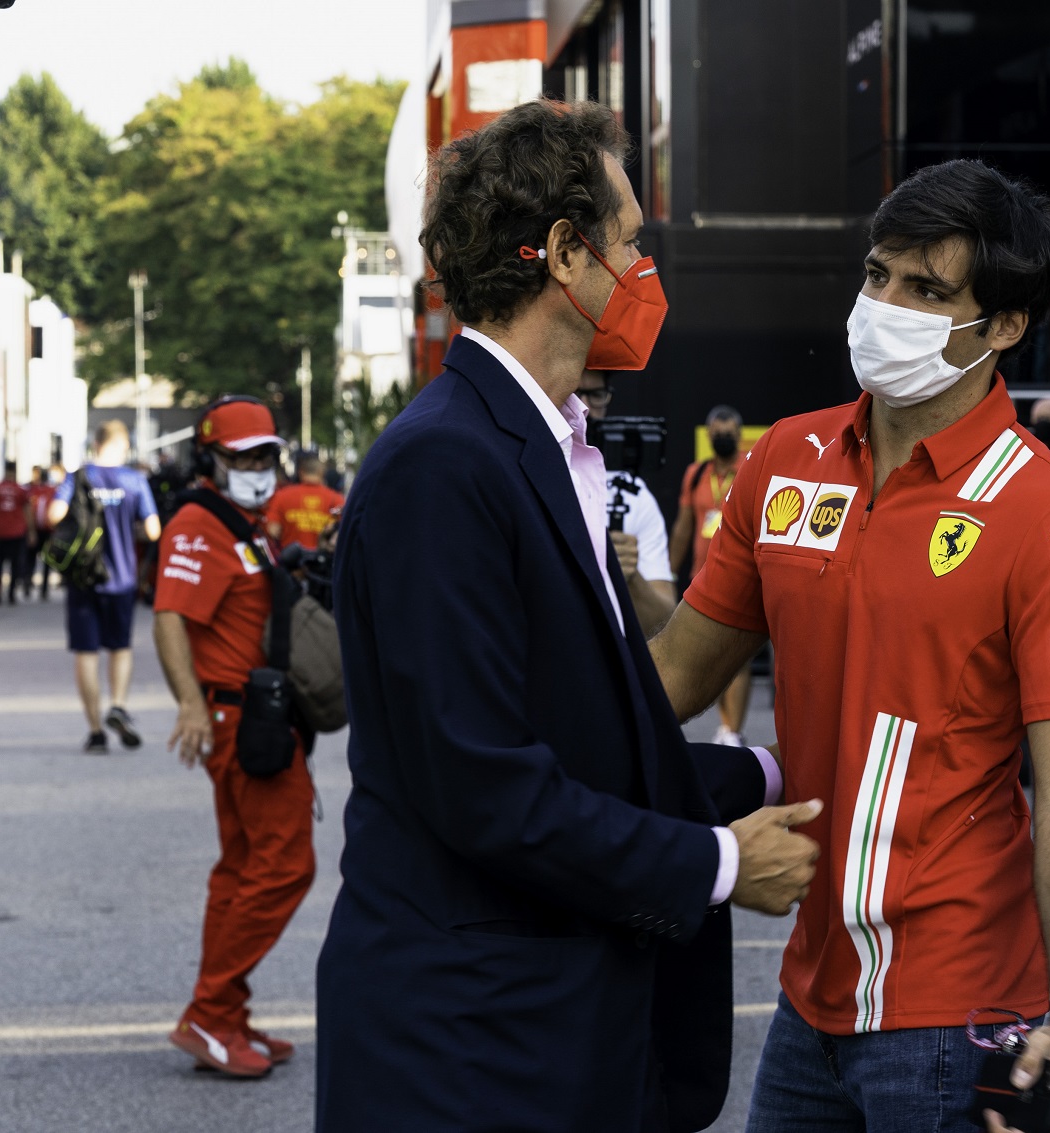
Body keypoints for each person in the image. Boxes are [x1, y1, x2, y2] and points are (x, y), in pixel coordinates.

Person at [316, 99, 820, 1133]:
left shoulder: (538, 449)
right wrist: (720, 862)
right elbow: (483, 783)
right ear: (562, 253)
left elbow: (587, 736)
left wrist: (787, 768)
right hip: (469, 1054)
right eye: (631, 238)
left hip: (548, 1039)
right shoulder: (442, 464)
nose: (643, 266)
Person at [651, 159, 1050, 1133]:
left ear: (1002, 326)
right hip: (806, 997)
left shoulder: (1049, 512)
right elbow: (674, 672)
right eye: (877, 275)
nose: (885, 306)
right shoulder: (785, 458)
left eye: (926, 290)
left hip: (958, 1011)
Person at [153, 395, 313, 1079]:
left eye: (264, 455)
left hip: (254, 714)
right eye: (241, 456)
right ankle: (210, 1014)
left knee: (242, 869)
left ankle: (226, 1011)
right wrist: (189, 703)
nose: (256, 466)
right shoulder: (199, 521)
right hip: (239, 720)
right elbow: (169, 616)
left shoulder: (246, 523)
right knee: (284, 866)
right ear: (210, 461)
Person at [49, 421, 160, 754]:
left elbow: (53, 514)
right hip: (122, 578)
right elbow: (154, 530)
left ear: (95, 444)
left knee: (86, 652)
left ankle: (95, 731)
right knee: (120, 648)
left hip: (84, 577)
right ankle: (119, 705)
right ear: (123, 445)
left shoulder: (78, 476)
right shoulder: (135, 480)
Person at [669, 405, 752, 744]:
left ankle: (733, 731)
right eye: (718, 432)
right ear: (707, 435)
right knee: (713, 652)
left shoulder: (749, 466)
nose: (723, 437)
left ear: (739, 435)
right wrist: (668, 573)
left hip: (742, 575)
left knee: (738, 654)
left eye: (730, 432)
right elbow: (683, 527)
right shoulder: (696, 473)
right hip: (702, 577)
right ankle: (724, 724)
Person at [578, 367, 677, 634]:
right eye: (575, 394)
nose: (584, 407)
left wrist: (630, 578)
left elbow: (664, 619)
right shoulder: (523, 474)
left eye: (596, 394)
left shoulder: (634, 496)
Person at [264, 453, 345, 550]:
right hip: (322, 560)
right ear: (322, 472)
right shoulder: (337, 499)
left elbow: (273, 530)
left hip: (289, 561)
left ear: (301, 472)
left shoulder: (281, 496)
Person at [0, 461, 32, 604]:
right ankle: (11, 594)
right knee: (15, 564)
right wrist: (31, 531)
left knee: (0, 564)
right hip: (17, 533)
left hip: (1, 532)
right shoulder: (20, 490)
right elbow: (28, 511)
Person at [26, 465, 63, 601]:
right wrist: (30, 530)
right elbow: (28, 509)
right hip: (35, 529)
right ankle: (27, 584)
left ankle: (44, 589)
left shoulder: (53, 490)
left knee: (47, 560)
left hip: (48, 531)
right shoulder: (32, 490)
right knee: (30, 559)